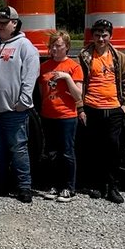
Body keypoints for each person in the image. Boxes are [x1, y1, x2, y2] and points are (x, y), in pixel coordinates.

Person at [0, 7, 40, 203]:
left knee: (18, 149)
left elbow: (30, 77)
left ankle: (24, 187)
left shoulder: (25, 46)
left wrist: (24, 101)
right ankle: (0, 185)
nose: (0, 26)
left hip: (15, 110)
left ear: (15, 23)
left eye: (4, 23)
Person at [78, 18, 125, 204]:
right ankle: (97, 184)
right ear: (92, 36)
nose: (101, 39)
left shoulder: (120, 58)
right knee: (94, 149)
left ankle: (113, 186)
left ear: (110, 36)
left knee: (113, 148)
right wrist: (80, 107)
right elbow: (78, 82)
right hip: (91, 107)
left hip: (113, 109)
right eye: (97, 35)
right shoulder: (84, 56)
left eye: (104, 35)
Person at [37, 30, 84, 203]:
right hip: (48, 114)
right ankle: (54, 185)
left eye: (58, 46)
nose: (55, 49)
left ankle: (69, 187)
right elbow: (42, 92)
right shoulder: (44, 67)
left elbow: (78, 95)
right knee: (51, 153)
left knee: (67, 152)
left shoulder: (74, 66)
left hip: (67, 116)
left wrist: (66, 78)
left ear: (67, 47)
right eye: (52, 46)